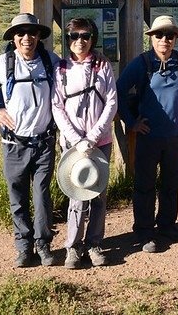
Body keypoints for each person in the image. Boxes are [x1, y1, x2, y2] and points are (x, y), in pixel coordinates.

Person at [0, 13, 60, 267]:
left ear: (39, 36)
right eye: (20, 33)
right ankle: (23, 246)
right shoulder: (1, 63)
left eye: (31, 33)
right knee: (17, 197)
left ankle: (43, 244)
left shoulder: (51, 61)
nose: (26, 38)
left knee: (41, 197)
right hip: (14, 144)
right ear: (14, 38)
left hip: (44, 143)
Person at [116, 15, 178, 253]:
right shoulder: (142, 63)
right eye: (159, 35)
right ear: (152, 38)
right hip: (149, 136)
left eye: (170, 35)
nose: (164, 40)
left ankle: (167, 225)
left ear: (176, 38)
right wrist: (131, 122)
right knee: (145, 185)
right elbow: (117, 91)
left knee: (171, 184)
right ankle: (144, 230)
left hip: (176, 135)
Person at [51, 18, 118, 269]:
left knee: (98, 194)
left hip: (100, 141)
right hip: (73, 143)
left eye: (85, 36)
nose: (80, 41)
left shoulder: (103, 66)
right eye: (74, 36)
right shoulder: (61, 69)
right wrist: (77, 139)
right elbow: (57, 106)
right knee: (77, 195)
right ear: (67, 40)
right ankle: (73, 247)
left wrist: (93, 137)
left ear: (93, 38)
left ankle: (94, 243)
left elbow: (111, 102)